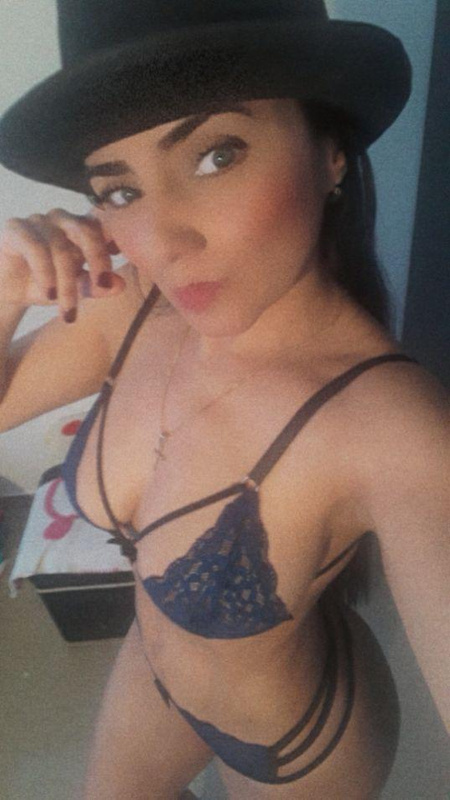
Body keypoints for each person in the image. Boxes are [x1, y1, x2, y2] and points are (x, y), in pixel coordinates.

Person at [0, 1, 448, 797]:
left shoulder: (390, 425)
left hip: (296, 744)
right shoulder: (126, 307)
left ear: (331, 153)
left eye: (216, 155)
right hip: (153, 673)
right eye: (119, 190)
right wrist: (4, 295)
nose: (162, 242)